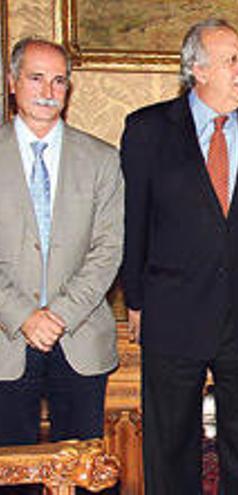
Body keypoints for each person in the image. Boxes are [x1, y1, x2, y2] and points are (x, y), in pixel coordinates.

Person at [120, 19, 238, 494]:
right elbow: (134, 221)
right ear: (198, 69)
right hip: (171, 307)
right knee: (171, 442)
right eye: (232, 60)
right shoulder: (147, 129)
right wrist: (135, 299)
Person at [0, 36, 123, 452]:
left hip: (80, 338)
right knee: (10, 472)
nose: (48, 92)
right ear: (12, 82)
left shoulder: (102, 160)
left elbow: (109, 250)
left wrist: (59, 316)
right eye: (36, 78)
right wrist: (23, 315)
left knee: (81, 468)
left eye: (58, 81)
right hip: (6, 340)